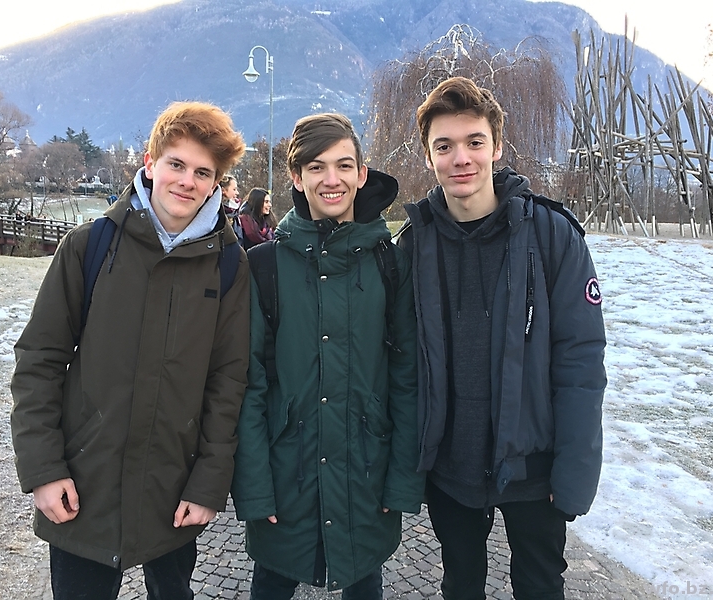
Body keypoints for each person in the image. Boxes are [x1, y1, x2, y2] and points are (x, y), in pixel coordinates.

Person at [10, 101, 250, 600]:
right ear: (150, 163)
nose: (187, 181)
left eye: (203, 172)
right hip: (85, 483)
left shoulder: (228, 264)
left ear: (216, 183)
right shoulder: (89, 246)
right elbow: (39, 362)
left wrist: (208, 482)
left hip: (173, 486)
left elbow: (228, 381)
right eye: (176, 164)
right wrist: (44, 469)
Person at [396, 77, 606, 600]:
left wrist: (574, 474)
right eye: (444, 146)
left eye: (474, 141)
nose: (461, 158)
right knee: (460, 584)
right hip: (450, 464)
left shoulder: (551, 235)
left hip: (534, 464)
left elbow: (580, 362)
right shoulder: (414, 245)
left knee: (539, 586)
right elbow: (397, 362)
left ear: (496, 146)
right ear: (428, 156)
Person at [231, 113, 425, 598]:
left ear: (362, 173)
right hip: (286, 471)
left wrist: (401, 480)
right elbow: (248, 384)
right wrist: (254, 487)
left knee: (364, 579)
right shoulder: (264, 266)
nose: (331, 179)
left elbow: (405, 377)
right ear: (297, 177)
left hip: (366, 469)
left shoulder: (389, 262)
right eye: (316, 167)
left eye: (343, 165)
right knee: (272, 581)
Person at [220, 174, 244, 242]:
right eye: (234, 189)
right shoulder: (217, 212)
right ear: (223, 190)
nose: (237, 193)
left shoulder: (235, 213)